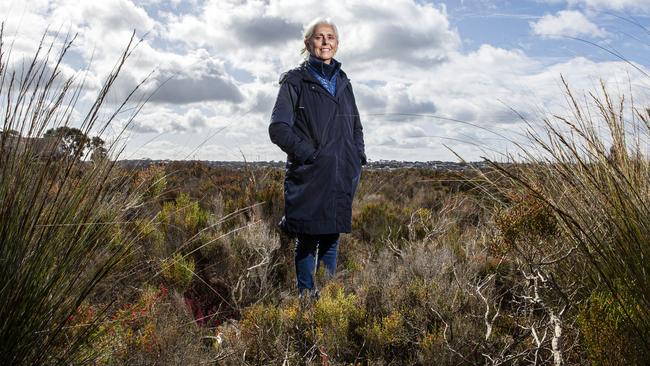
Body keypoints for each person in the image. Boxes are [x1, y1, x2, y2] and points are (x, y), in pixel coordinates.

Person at [269, 17, 367, 300]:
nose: (326, 41)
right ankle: (306, 302)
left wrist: (356, 156)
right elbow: (278, 128)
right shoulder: (295, 80)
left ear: (337, 44)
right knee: (308, 238)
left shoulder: (344, 81)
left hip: (340, 174)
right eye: (319, 36)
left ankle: (328, 305)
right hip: (310, 175)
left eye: (331, 37)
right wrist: (311, 155)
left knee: (331, 239)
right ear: (307, 43)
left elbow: (356, 125)